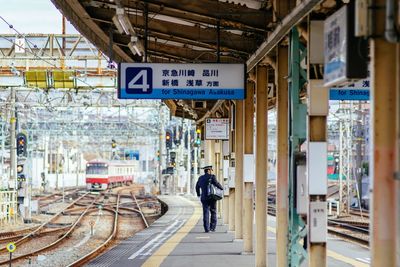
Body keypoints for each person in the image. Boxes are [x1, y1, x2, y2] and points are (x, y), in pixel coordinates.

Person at [195, 165, 223, 233]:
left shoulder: (200, 178)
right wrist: (222, 188)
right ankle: (212, 227)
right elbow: (217, 184)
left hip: (204, 197)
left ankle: (206, 229)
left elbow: (197, 187)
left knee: (205, 212)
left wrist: (199, 194)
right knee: (213, 211)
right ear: (208, 170)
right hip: (212, 197)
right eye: (211, 170)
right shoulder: (212, 177)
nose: (211, 172)